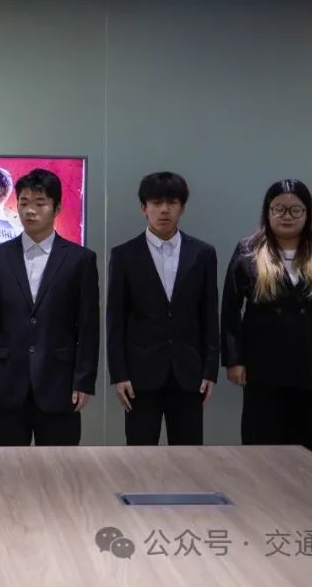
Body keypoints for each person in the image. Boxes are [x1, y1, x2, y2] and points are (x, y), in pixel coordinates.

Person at [221, 179, 312, 461]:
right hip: (264, 368)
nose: (287, 216)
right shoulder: (248, 252)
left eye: (295, 210)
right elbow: (230, 311)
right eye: (279, 209)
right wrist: (234, 360)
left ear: (308, 213)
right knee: (263, 450)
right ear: (267, 212)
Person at [0, 168, 99, 446]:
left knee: (59, 467)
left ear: (57, 208)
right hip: (6, 383)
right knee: (5, 466)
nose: (30, 211)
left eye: (40, 203)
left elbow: (88, 327)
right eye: (24, 202)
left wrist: (83, 380)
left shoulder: (80, 260)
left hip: (60, 384)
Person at [108, 172, 219, 446]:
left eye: (172, 202)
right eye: (156, 203)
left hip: (189, 372)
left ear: (183, 208)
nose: (164, 210)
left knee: (189, 453)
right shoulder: (124, 255)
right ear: (143, 208)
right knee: (140, 453)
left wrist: (210, 370)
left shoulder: (202, 253)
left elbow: (209, 315)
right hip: (140, 374)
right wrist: (119, 374)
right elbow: (116, 320)